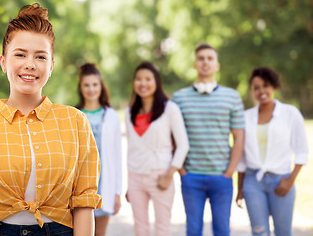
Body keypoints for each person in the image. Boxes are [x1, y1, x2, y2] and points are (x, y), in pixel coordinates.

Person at [0, 3, 102, 236]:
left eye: (41, 56)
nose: (30, 64)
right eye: (20, 54)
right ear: (3, 62)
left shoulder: (75, 121)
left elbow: (84, 202)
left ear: (51, 66)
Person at [172, 43, 245, 236]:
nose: (205, 62)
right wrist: (182, 171)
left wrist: (230, 172)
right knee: (193, 230)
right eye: (201, 58)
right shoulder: (179, 98)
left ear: (217, 65)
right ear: (195, 64)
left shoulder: (232, 97)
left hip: (222, 176)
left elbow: (239, 137)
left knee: (222, 230)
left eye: (210, 58)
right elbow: (172, 137)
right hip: (191, 177)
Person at [235, 67, 308, 236]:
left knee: (283, 232)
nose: (261, 91)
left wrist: (290, 181)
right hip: (253, 182)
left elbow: (302, 150)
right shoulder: (245, 117)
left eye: (265, 85)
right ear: (252, 91)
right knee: (259, 232)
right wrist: (240, 188)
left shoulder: (290, 114)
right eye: (256, 87)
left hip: (280, 180)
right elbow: (242, 157)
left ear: (274, 86)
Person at [125, 61, 189, 236]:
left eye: (148, 79)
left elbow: (183, 145)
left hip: (161, 175)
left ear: (156, 82)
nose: (143, 83)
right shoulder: (129, 112)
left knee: (162, 229)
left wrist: (170, 175)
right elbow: (131, 148)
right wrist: (129, 185)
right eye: (138, 79)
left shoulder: (170, 109)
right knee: (140, 228)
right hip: (135, 177)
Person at [75, 63, 122, 236]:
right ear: (81, 88)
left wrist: (117, 192)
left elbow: (117, 157)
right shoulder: (74, 115)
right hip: (80, 187)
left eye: (95, 85)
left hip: (105, 185)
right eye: (86, 85)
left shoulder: (112, 116)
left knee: (100, 233)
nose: (91, 89)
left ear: (101, 87)